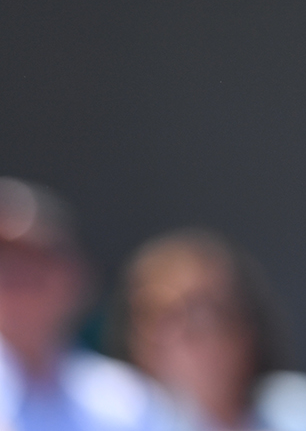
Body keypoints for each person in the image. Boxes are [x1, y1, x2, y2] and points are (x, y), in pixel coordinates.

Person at [108, 229, 306, 431]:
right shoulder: (116, 417)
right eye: (158, 316)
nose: (182, 336)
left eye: (205, 316)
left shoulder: (300, 410)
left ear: (247, 329)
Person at [0, 178, 177, 431]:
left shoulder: (125, 399)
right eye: (5, 262)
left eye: (37, 261)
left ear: (74, 276)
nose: (19, 275)